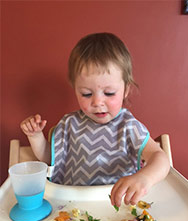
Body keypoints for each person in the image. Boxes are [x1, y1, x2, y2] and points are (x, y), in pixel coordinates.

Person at [20, 32, 170, 207]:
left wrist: (144, 178)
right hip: (72, 206)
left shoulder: (128, 127)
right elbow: (49, 158)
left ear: (126, 90)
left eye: (109, 93)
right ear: (75, 89)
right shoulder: (70, 124)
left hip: (118, 205)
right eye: (86, 94)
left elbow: (160, 157)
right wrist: (35, 136)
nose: (97, 102)